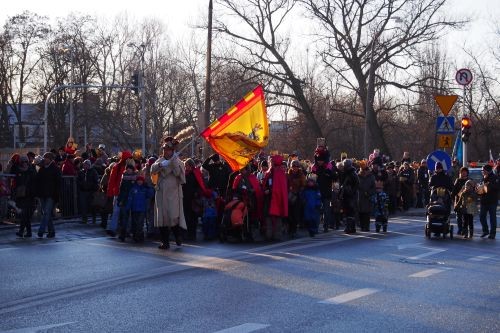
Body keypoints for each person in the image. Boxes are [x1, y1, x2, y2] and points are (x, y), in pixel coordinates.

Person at [151, 136, 186, 250]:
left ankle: (177, 236)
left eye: (169, 150)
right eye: (165, 150)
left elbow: (178, 174)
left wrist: (173, 162)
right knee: (162, 218)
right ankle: (165, 242)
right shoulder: (160, 161)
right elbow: (152, 170)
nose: (166, 152)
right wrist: (161, 164)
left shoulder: (178, 162)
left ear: (173, 151)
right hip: (161, 193)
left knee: (173, 216)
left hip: (173, 193)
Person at [106, 151, 133, 236]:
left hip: (127, 193)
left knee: (126, 212)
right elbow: (112, 181)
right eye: (128, 158)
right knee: (117, 211)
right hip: (119, 193)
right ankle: (114, 229)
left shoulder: (130, 167)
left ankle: (125, 230)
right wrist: (110, 193)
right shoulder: (117, 167)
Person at [36, 152, 62, 238]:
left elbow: (59, 183)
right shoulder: (42, 169)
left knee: (46, 212)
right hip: (42, 194)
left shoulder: (55, 169)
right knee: (47, 214)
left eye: (47, 158)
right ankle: (51, 231)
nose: (45, 159)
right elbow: (38, 181)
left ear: (50, 159)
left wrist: (56, 195)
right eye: (44, 158)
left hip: (51, 195)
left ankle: (41, 230)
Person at [262, 155, 288, 241]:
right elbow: (265, 184)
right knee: (269, 217)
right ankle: (269, 235)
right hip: (269, 199)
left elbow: (280, 188)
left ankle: (277, 235)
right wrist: (265, 189)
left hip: (276, 199)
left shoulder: (280, 173)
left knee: (277, 217)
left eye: (272, 162)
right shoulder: (269, 172)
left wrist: (270, 190)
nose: (270, 163)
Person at [125, 175, 154, 242]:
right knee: (135, 223)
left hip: (142, 209)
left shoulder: (145, 189)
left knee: (140, 223)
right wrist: (128, 207)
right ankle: (135, 235)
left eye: (141, 180)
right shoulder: (133, 189)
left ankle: (139, 235)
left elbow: (150, 195)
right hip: (134, 209)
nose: (139, 182)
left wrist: (149, 188)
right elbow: (130, 199)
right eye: (138, 180)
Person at [14, 156, 37, 238]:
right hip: (21, 195)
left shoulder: (31, 171)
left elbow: (34, 183)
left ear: (27, 162)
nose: (24, 164)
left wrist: (32, 192)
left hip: (29, 195)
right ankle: (27, 232)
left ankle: (22, 231)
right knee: (24, 215)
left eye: (25, 162)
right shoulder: (18, 170)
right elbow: (16, 183)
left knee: (25, 215)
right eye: (22, 162)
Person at [117, 163, 138, 241]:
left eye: (130, 169)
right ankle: (123, 234)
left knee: (134, 218)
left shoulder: (136, 179)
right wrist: (119, 200)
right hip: (125, 200)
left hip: (133, 200)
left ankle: (134, 234)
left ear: (132, 170)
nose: (128, 171)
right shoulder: (123, 179)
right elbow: (121, 190)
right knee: (124, 218)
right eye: (127, 169)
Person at [477, 164, 499, 239]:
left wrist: (486, 185)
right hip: (484, 201)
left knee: (492, 218)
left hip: (492, 201)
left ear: (488, 171)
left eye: (483, 170)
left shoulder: (495, 177)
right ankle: (485, 231)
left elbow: (495, 187)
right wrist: (478, 189)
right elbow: (480, 188)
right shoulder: (483, 178)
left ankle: (492, 233)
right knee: (481, 217)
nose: (482, 172)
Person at [287, 159, 306, 238]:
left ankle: (294, 229)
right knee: (289, 214)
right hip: (289, 196)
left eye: (296, 166)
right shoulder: (288, 174)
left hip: (297, 196)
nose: (295, 168)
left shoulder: (301, 175)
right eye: (293, 166)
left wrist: (299, 190)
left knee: (295, 214)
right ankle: (290, 229)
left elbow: (303, 184)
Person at [340, 159, 359, 234]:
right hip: (346, 194)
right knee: (348, 212)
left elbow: (357, 184)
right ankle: (351, 227)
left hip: (351, 195)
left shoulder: (352, 173)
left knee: (350, 211)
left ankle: (350, 227)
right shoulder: (344, 173)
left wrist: (352, 191)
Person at [451, 167, 470, 235]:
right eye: (462, 172)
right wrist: (453, 199)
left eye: (465, 172)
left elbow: (472, 191)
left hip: (466, 202)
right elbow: (453, 191)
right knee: (458, 216)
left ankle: (465, 229)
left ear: (467, 173)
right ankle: (460, 228)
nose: (463, 173)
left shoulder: (469, 181)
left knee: (465, 216)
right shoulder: (458, 180)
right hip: (458, 201)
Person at [358, 161, 375, 232]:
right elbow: (356, 186)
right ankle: (362, 226)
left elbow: (373, 187)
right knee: (361, 212)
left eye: (365, 170)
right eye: (363, 170)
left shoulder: (371, 177)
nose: (364, 172)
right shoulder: (358, 176)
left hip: (367, 197)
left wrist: (369, 193)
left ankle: (367, 226)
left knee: (367, 213)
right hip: (360, 197)